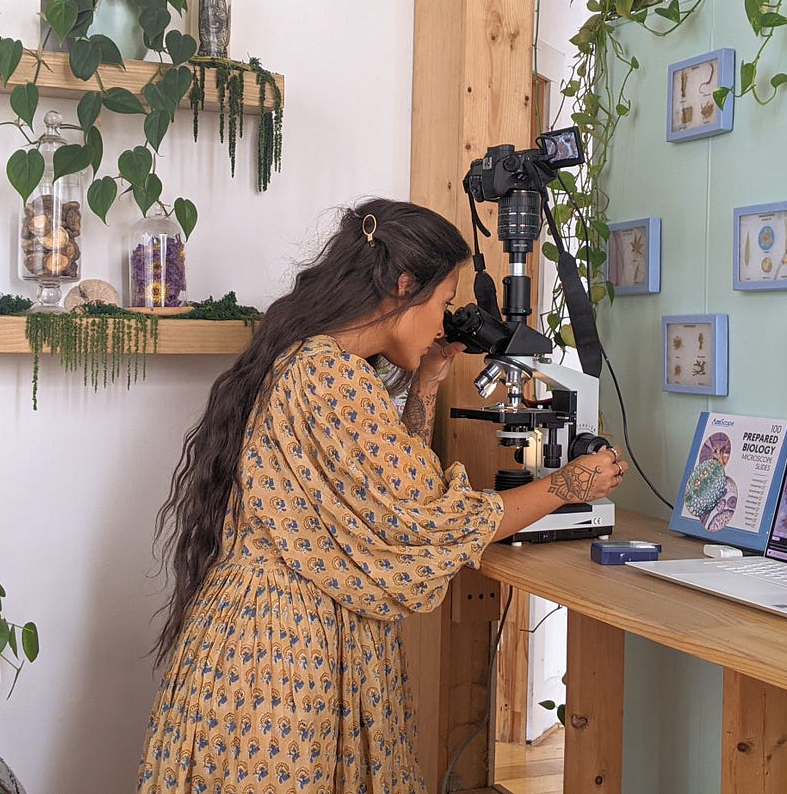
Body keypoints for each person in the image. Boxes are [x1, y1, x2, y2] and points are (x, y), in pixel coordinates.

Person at [139, 198, 626, 793]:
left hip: (277, 636)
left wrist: (424, 388)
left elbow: (383, 499)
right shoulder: (332, 377)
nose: (444, 318)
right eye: (444, 301)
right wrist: (570, 483)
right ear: (402, 286)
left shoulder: (322, 364)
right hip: (281, 664)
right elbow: (426, 520)